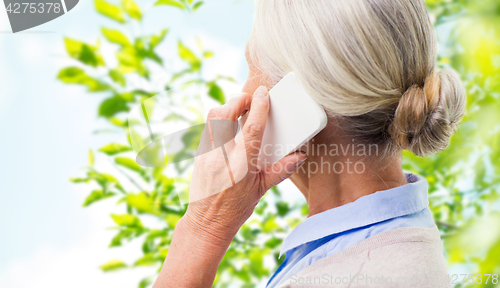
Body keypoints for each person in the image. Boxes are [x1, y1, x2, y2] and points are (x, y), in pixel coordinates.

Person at [152, 0, 466, 287]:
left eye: (252, 68)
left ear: (298, 99)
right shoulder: (393, 240)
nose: (242, 92)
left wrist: (203, 229)